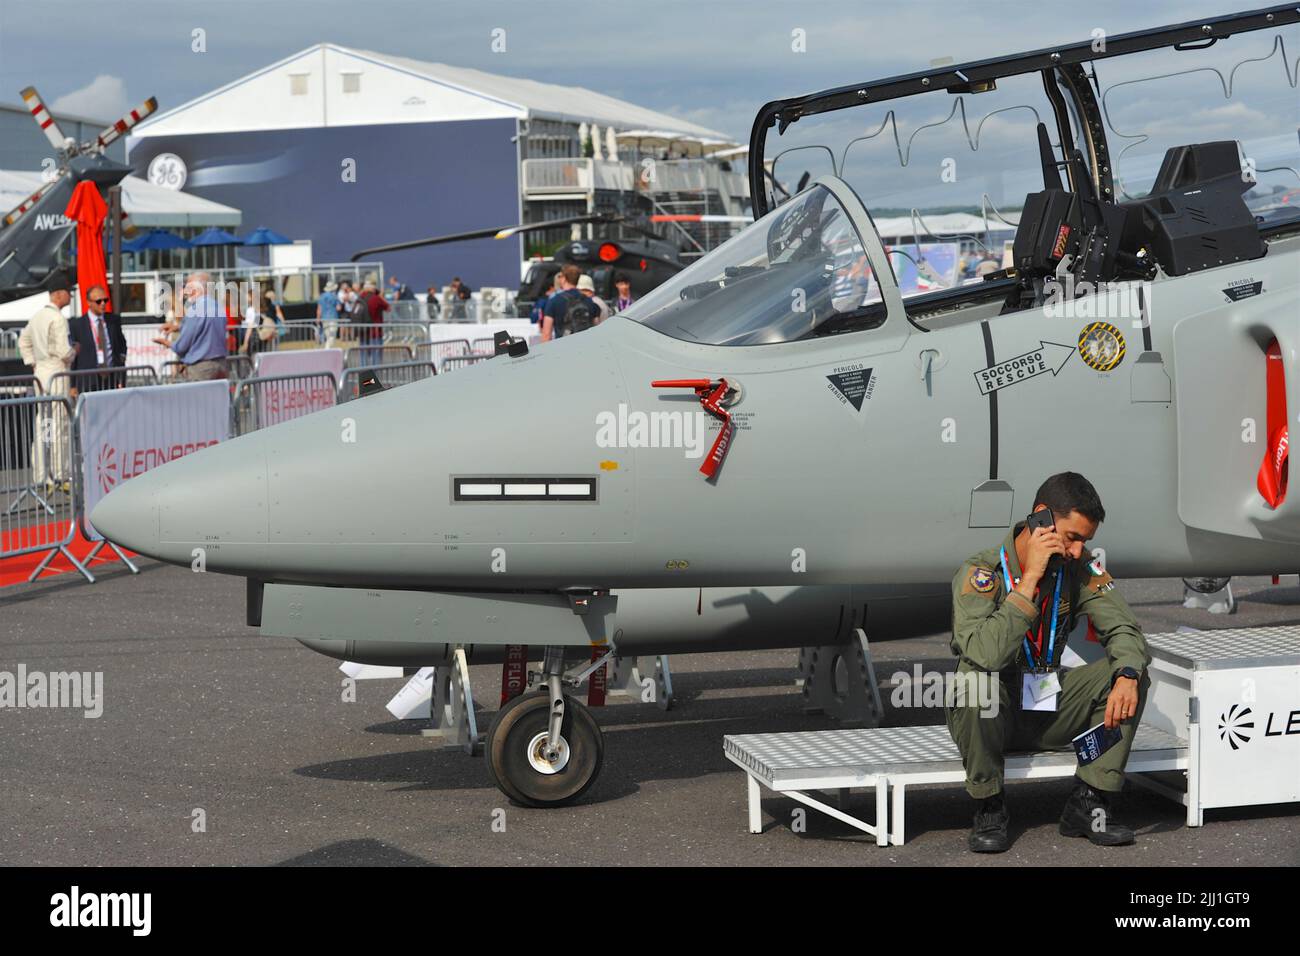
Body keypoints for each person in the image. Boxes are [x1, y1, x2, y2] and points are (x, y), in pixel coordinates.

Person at [945, 472, 1151, 853]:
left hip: (1047, 700)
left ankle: (1089, 802)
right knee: (975, 682)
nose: (1077, 551)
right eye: (1072, 537)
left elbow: (1124, 628)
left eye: (1084, 541)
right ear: (1042, 518)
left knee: (1127, 673)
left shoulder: (1078, 568)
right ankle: (989, 805)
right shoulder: (981, 573)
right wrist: (1030, 580)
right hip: (993, 714)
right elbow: (985, 654)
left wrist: (1126, 674)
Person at [18, 278, 75, 485]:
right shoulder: (58, 319)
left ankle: (41, 474)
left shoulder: (37, 316)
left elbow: (23, 341)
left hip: (41, 372)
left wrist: (32, 362)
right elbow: (64, 351)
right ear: (58, 294)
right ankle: (59, 473)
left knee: (43, 422)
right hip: (57, 371)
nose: (70, 295)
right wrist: (74, 352)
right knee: (59, 423)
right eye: (69, 291)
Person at [156, 272, 229, 380]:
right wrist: (178, 327)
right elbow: (206, 327)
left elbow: (181, 346)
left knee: (200, 397)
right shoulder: (217, 307)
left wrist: (166, 343)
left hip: (201, 368)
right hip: (221, 364)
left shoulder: (195, 310)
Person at [67, 283, 127, 389]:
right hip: (88, 380)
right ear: (89, 303)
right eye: (99, 301)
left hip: (111, 377)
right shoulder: (77, 325)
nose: (103, 304)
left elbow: (121, 345)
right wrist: (73, 385)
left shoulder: (113, 321)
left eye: (105, 300)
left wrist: (121, 374)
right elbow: (74, 358)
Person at [541, 264, 597, 340]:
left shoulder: (554, 301)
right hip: (585, 347)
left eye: (560, 276)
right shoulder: (589, 301)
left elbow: (546, 334)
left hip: (562, 348)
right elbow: (596, 328)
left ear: (564, 278)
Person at [317, 281, 341, 345]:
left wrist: (318, 318)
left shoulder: (321, 296)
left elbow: (319, 309)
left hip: (324, 318)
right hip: (333, 317)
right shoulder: (335, 296)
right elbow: (338, 308)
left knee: (328, 335)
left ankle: (327, 349)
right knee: (332, 335)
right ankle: (327, 349)